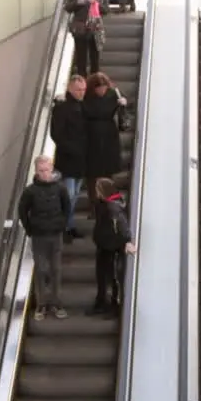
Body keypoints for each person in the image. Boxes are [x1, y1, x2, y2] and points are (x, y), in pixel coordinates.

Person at [18, 155, 71, 320]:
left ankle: (56, 303)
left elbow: (67, 208)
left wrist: (62, 225)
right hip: (39, 236)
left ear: (52, 168)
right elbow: (22, 211)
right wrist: (30, 229)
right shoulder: (30, 191)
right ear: (36, 171)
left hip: (55, 234)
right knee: (41, 270)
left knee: (56, 269)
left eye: (47, 170)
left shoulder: (60, 188)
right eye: (41, 171)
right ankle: (41, 304)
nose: (44, 173)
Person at [90, 176, 137, 316]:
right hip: (105, 244)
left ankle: (112, 304)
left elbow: (122, 225)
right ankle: (102, 302)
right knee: (104, 276)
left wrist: (127, 241)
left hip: (110, 246)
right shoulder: (106, 204)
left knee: (110, 276)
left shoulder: (112, 207)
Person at [83, 73, 128, 213]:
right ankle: (94, 206)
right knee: (92, 173)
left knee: (108, 171)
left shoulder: (113, 93)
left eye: (103, 88)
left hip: (109, 135)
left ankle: (108, 205)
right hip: (91, 135)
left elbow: (123, 102)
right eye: (98, 88)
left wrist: (124, 103)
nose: (101, 91)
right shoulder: (86, 97)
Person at [51, 75, 88, 242]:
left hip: (80, 161)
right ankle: (64, 227)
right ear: (70, 89)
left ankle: (70, 226)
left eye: (83, 90)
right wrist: (73, 149)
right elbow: (56, 134)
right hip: (67, 160)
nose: (81, 93)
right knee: (69, 195)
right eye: (79, 90)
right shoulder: (62, 108)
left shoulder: (84, 107)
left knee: (74, 195)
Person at [65, 0, 109, 77]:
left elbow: (106, 9)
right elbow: (67, 7)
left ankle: (94, 83)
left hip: (95, 28)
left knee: (95, 59)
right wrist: (78, 3)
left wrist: (96, 4)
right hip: (80, 28)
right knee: (81, 60)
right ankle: (82, 81)